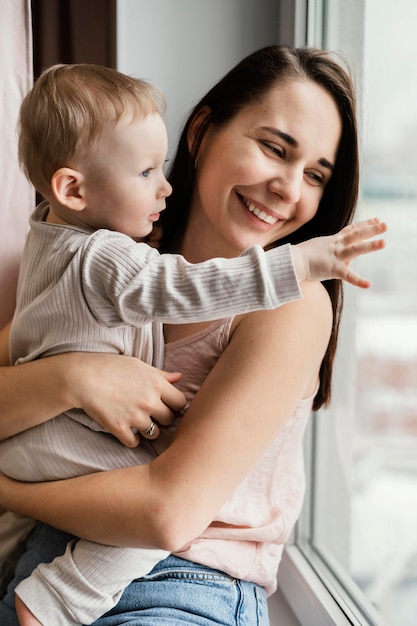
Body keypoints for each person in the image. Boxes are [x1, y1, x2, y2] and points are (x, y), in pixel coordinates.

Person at [0, 46, 386, 626]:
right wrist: (74, 378)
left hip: (180, 589)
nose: (287, 188)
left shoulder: (291, 304)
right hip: (46, 558)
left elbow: (166, 515)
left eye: (314, 175)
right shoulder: (111, 261)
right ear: (203, 131)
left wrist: (8, 488)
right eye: (275, 149)